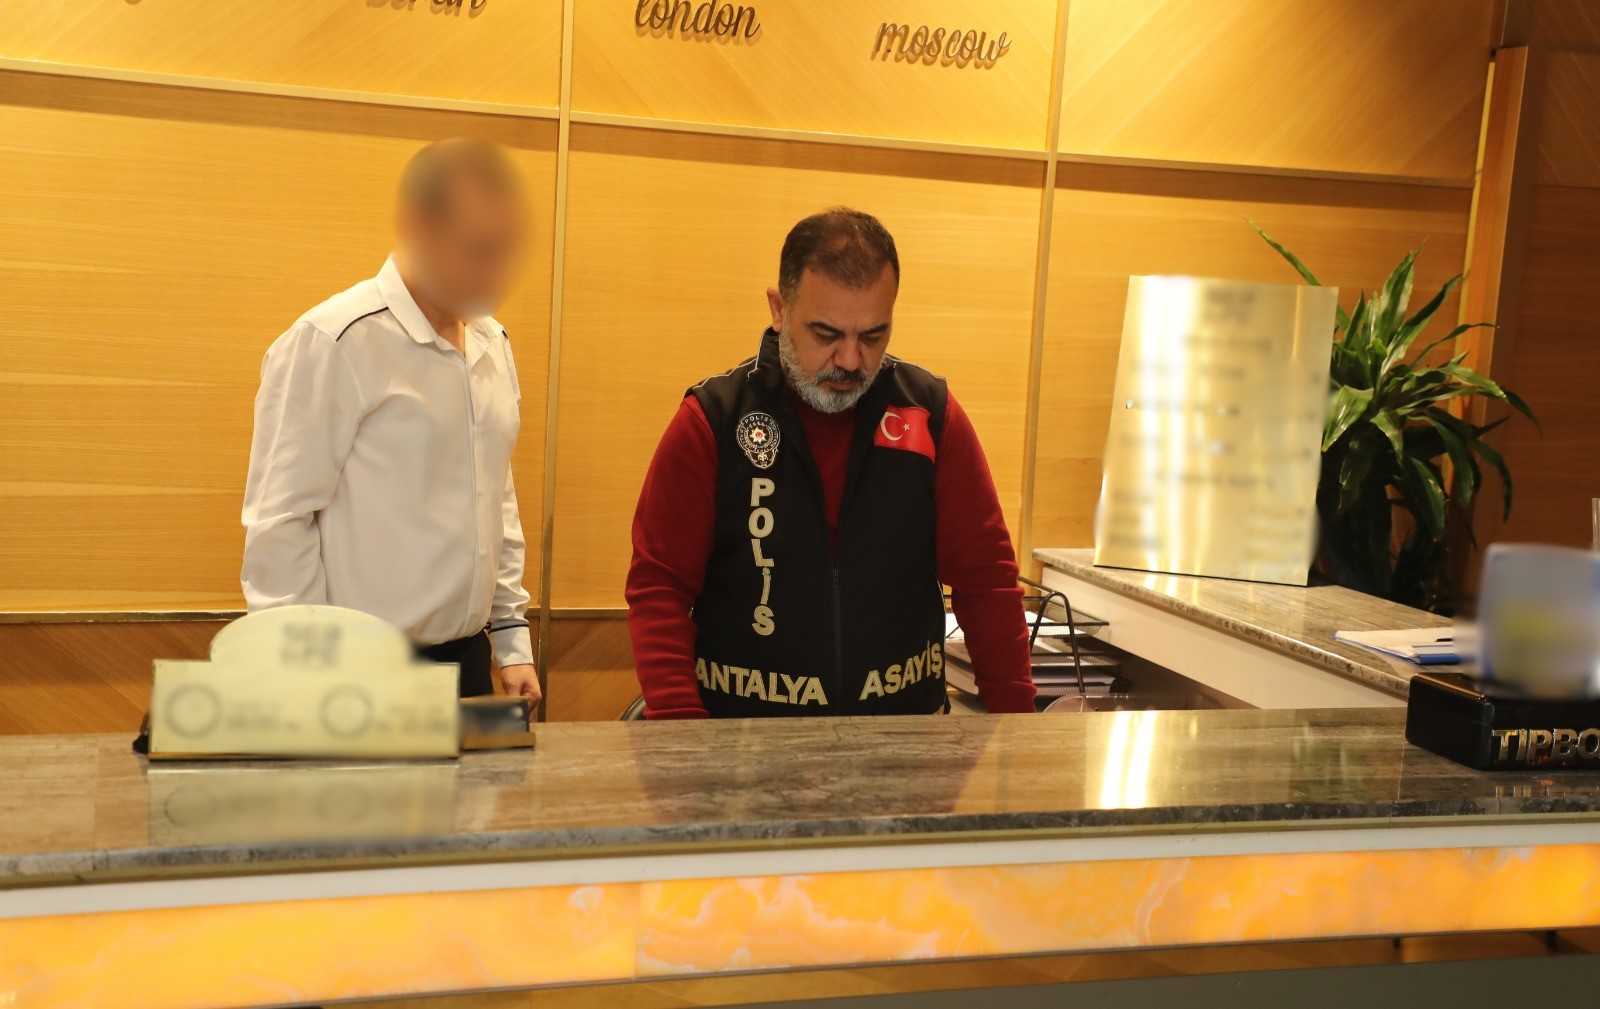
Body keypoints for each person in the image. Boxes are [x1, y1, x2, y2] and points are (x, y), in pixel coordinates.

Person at [626, 207, 1036, 718]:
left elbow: (987, 582)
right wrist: (682, 734)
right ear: (779, 309)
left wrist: (1019, 733)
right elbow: (659, 590)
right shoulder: (714, 421)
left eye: (872, 336)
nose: (849, 360)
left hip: (906, 742)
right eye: (826, 334)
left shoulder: (928, 416)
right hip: (741, 744)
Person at [241, 138, 539, 705]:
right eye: (478, 250)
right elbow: (280, 521)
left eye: (504, 251)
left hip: (468, 663)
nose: (494, 273)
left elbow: (494, 493)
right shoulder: (335, 340)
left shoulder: (492, 341)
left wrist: (510, 635)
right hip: (357, 674)